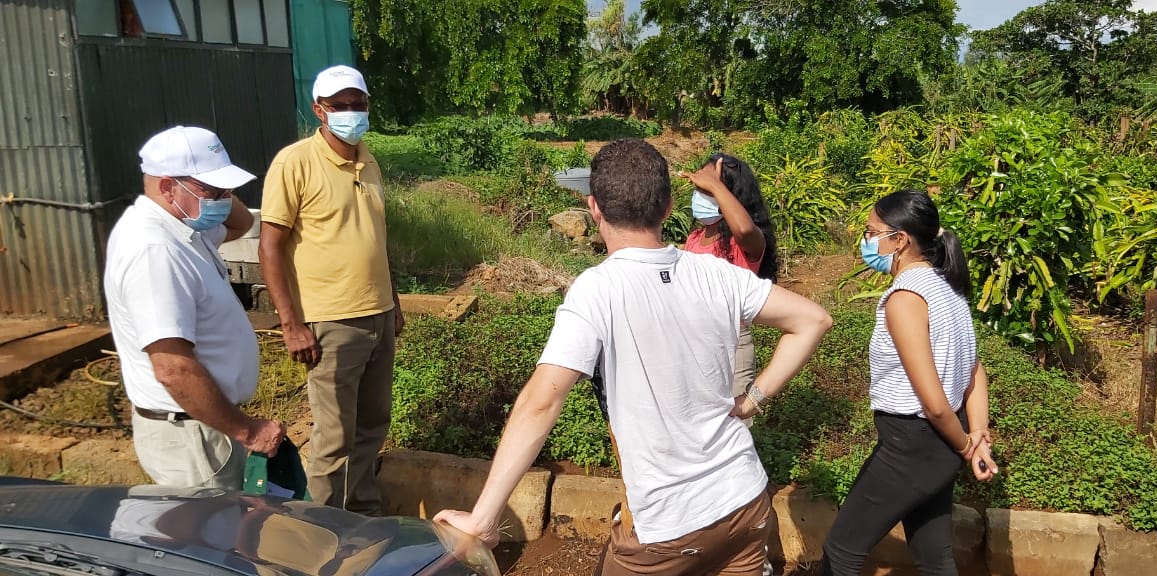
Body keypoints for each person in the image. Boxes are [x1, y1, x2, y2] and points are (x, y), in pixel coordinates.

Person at [434, 138, 833, 575]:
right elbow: (812, 319)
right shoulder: (716, 273)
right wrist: (753, 399)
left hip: (669, 526)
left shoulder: (596, 289)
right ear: (667, 207)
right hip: (744, 500)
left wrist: (483, 519)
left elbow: (541, 401)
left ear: (594, 208)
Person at [821, 190, 999, 576]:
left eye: (871, 232)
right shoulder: (947, 286)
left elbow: (933, 403)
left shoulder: (906, 299)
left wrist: (967, 447)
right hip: (945, 438)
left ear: (899, 239)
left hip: (914, 443)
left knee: (841, 552)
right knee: (935, 557)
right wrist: (977, 433)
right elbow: (975, 371)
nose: (865, 241)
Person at [104, 126, 285, 490]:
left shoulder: (182, 227)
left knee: (223, 535)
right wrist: (247, 430)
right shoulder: (155, 251)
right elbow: (173, 368)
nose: (222, 198)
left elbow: (242, 222)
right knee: (207, 541)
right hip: (191, 436)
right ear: (168, 187)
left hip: (205, 424)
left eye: (226, 189)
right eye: (211, 190)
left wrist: (217, 191)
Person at [258, 64, 403, 516]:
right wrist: (291, 323)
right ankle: (321, 531)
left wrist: (393, 301)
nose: (351, 113)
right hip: (332, 321)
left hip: (377, 314)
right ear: (319, 110)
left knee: (372, 426)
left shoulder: (369, 159)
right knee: (334, 437)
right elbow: (269, 247)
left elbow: (375, 237)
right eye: (340, 106)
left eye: (358, 104)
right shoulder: (294, 162)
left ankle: (361, 516)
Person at [680, 152, 779, 427]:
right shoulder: (696, 236)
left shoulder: (746, 240)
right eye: (700, 187)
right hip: (695, 342)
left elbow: (745, 230)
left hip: (732, 343)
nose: (700, 194)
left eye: (708, 188)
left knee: (733, 428)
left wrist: (716, 186)